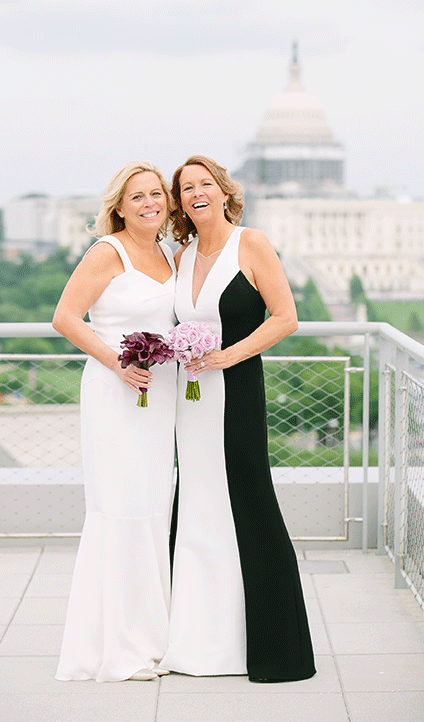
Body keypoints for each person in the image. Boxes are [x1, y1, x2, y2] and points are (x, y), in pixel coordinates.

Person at [158, 154, 315, 683]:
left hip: (237, 391)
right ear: (179, 202)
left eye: (205, 184)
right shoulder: (179, 257)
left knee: (248, 501)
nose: (195, 194)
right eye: (185, 189)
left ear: (224, 191)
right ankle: (197, 638)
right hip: (189, 398)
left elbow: (287, 318)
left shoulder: (252, 243)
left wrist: (229, 355)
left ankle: (273, 647)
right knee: (198, 501)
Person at [53, 162, 178, 682]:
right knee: (121, 509)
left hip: (161, 396)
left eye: (156, 194)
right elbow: (65, 317)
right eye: (138, 196)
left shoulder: (170, 254)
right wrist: (116, 364)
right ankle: (119, 649)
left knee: (153, 508)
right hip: (115, 392)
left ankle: (153, 638)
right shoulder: (109, 252)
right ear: (120, 207)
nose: (150, 202)